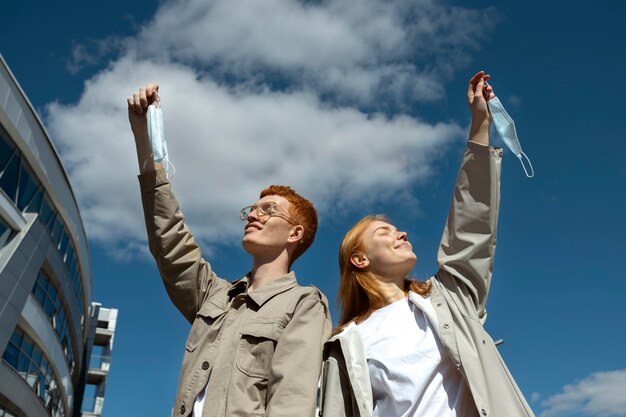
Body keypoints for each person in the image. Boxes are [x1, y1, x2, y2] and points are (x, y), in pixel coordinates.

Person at [319, 71, 536, 417]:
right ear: (359, 260)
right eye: (383, 232)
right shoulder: (346, 342)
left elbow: (470, 230)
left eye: (397, 229)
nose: (401, 233)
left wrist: (480, 123)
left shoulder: (449, 300)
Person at [127, 84, 331, 417]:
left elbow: (292, 401)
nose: (252, 214)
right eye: (251, 209)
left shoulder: (303, 305)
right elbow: (169, 240)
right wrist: (143, 135)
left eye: (267, 210)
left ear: (295, 233)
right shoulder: (213, 297)